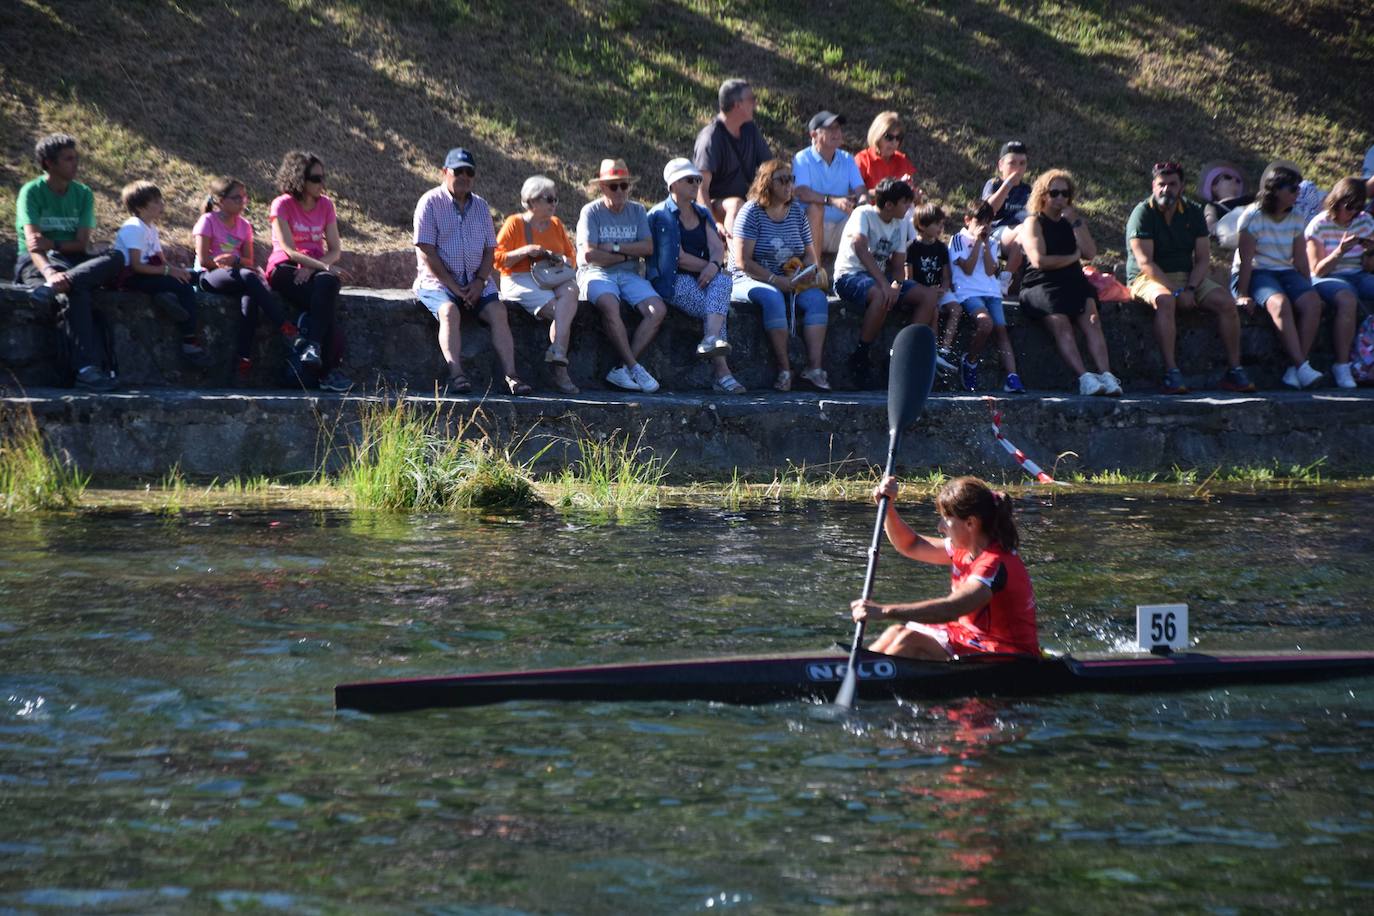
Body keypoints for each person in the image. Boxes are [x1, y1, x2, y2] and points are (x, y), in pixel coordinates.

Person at [850, 475, 1039, 660]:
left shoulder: (994, 564)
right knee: (896, 632)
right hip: (968, 637)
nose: (940, 527)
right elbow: (911, 544)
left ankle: (865, 680)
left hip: (1006, 653)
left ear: (970, 523)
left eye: (946, 519)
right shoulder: (964, 549)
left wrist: (884, 611)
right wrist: (888, 508)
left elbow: (952, 608)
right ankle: (855, 671)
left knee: (909, 641)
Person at [1126, 162, 1251, 393]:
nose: (1166, 190)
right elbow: (1145, 263)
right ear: (1153, 186)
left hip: (1187, 277)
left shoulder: (1193, 211)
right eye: (1161, 185)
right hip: (1148, 277)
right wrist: (1175, 291)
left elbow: (1203, 258)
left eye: (1172, 184)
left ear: (1182, 186)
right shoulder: (1142, 213)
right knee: (1166, 301)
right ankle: (1171, 372)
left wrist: (1191, 289)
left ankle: (1235, 370)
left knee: (1226, 303)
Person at [13, 133, 125, 392]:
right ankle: (86, 370)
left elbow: (81, 244)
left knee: (115, 256)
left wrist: (54, 249)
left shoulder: (83, 193)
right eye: (68, 159)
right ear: (48, 163)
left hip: (71, 259)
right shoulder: (31, 192)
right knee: (77, 292)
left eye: (76, 158)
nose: (75, 164)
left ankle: (59, 286)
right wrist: (50, 272)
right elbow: (33, 245)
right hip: (37, 262)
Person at [730, 158, 831, 391]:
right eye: (782, 180)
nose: (789, 185)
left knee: (817, 300)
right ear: (767, 183)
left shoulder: (796, 211)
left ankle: (814, 369)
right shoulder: (751, 212)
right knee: (773, 296)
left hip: (789, 279)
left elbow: (810, 255)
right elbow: (742, 261)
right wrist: (777, 281)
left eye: (791, 179)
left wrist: (803, 271)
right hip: (751, 278)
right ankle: (784, 370)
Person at [647, 158, 745, 393]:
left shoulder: (702, 212)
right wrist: (709, 266)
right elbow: (678, 258)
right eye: (689, 180)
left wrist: (714, 265)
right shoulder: (660, 215)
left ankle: (709, 340)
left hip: (703, 279)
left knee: (722, 281)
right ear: (673, 184)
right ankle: (722, 372)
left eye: (698, 179)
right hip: (673, 281)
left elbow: (717, 248)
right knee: (716, 309)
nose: (696, 184)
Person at [1020, 170, 1122, 396]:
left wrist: (1075, 222)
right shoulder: (1033, 222)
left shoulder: (1073, 221)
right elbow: (1039, 260)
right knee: (1061, 323)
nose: (1059, 198)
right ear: (1043, 195)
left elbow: (1090, 252)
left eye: (1064, 193)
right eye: (1054, 192)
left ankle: (1107, 374)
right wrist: (1071, 258)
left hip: (1073, 280)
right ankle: (1084, 377)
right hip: (1042, 283)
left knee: (1093, 320)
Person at [193, 177, 294, 386]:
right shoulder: (208, 221)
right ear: (220, 200)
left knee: (250, 300)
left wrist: (235, 260)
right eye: (236, 198)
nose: (242, 202)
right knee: (249, 277)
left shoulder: (245, 226)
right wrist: (223, 263)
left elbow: (248, 261)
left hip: (236, 275)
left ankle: (244, 359)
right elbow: (203, 260)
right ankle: (283, 324)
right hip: (210, 276)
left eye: (244, 197)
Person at [1232, 163, 1325, 389]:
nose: (1297, 193)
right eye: (1292, 189)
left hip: (1285, 271)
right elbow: (1246, 260)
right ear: (1275, 190)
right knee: (1279, 303)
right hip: (1256, 271)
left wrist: (1308, 287)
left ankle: (1296, 369)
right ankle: (1303, 366)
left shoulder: (1295, 218)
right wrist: (1242, 294)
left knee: (1312, 303)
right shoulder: (1252, 216)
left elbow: (1301, 260)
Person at [577, 158, 666, 393]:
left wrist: (615, 249)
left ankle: (623, 369)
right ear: (602, 187)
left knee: (658, 310)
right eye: (613, 186)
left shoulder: (637, 210)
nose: (619, 191)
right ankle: (634, 367)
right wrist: (628, 253)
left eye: (623, 185)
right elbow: (590, 255)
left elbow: (647, 248)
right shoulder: (591, 211)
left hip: (629, 274)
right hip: (596, 273)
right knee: (609, 304)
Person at [267, 150, 351, 393]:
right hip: (286, 267)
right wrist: (320, 266)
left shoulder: (326, 205)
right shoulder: (282, 204)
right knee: (325, 308)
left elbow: (335, 249)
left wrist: (316, 268)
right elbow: (288, 249)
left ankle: (311, 346)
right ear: (299, 179)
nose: (322, 184)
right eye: (316, 178)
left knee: (329, 284)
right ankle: (328, 372)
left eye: (323, 177)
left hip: (314, 268)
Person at [833, 178, 928, 389]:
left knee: (927, 296)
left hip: (880, 279)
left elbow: (897, 263)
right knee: (879, 295)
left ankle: (903, 355)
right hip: (850, 276)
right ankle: (861, 354)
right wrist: (886, 286)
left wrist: (896, 284)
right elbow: (860, 248)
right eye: (905, 203)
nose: (909, 208)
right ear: (889, 205)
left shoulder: (902, 222)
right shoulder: (863, 214)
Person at [494, 174, 579, 395]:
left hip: (550, 276)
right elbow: (496, 258)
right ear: (531, 202)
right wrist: (524, 251)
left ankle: (558, 351)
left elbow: (572, 256)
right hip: (519, 278)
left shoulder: (557, 224)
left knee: (571, 289)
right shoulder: (515, 223)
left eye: (555, 199)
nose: (554, 204)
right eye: (548, 199)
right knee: (560, 311)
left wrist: (560, 259)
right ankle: (560, 373)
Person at [112, 181, 212, 368]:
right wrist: (169, 272)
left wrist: (176, 271)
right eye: (156, 202)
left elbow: (161, 260)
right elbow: (136, 266)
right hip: (132, 278)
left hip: (151, 273)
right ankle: (189, 342)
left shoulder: (151, 227)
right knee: (182, 287)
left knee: (193, 276)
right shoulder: (134, 227)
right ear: (141, 206)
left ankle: (163, 296)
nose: (161, 205)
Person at [1304, 177, 1374, 389]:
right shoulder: (1319, 225)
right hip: (1327, 276)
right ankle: (1342, 365)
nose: (1354, 213)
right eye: (1350, 207)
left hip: (1359, 273)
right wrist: (1339, 251)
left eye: (1359, 207)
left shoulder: (1365, 221)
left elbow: (1369, 268)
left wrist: (1370, 252)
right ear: (1337, 201)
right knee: (1347, 298)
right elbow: (1317, 269)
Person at [949, 200, 1022, 393]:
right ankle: (970, 361)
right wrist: (977, 244)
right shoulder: (958, 239)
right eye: (980, 221)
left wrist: (985, 246)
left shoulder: (992, 243)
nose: (985, 226)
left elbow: (991, 270)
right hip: (968, 292)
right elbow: (968, 268)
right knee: (985, 323)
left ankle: (1012, 377)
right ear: (968, 220)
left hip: (991, 292)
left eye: (989, 222)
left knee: (1001, 330)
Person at [692, 79, 771, 236]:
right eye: (751, 100)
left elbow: (771, 168)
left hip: (748, 201)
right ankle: (736, 258)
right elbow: (701, 189)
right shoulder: (710, 138)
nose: (755, 104)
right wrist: (712, 225)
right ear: (737, 105)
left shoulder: (750, 130)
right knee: (736, 206)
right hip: (717, 206)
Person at [792, 111, 866, 255]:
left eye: (838, 127)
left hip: (841, 228)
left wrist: (862, 204)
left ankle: (863, 272)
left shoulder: (847, 159)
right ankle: (815, 271)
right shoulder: (802, 158)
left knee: (865, 215)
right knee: (815, 209)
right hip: (809, 230)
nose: (836, 132)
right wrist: (832, 201)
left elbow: (861, 190)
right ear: (813, 134)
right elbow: (801, 192)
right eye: (830, 128)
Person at [905, 203, 962, 374]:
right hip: (921, 291)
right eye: (937, 224)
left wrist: (943, 290)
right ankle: (933, 351)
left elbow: (946, 276)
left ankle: (945, 350)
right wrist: (930, 294)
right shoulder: (911, 247)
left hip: (939, 290)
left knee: (956, 309)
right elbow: (909, 278)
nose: (941, 228)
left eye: (942, 224)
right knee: (934, 312)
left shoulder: (941, 248)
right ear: (922, 225)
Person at [980, 140, 1030, 288]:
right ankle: (1004, 280)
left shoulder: (1027, 190)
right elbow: (988, 210)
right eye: (1012, 163)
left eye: (1022, 163)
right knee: (1025, 229)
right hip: (995, 233)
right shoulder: (994, 184)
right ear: (1001, 165)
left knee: (1029, 231)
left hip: (1021, 237)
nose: (1018, 168)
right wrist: (1007, 184)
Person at [854, 111, 917, 195]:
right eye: (889, 137)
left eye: (898, 138)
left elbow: (910, 194)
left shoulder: (902, 160)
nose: (894, 142)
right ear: (877, 136)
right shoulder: (862, 160)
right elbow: (852, 195)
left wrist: (915, 195)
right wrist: (882, 192)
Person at [1198, 160, 1253, 245]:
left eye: (1238, 180)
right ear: (1214, 187)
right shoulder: (1213, 206)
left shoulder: (1249, 199)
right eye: (1227, 177)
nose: (1234, 179)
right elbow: (1210, 226)